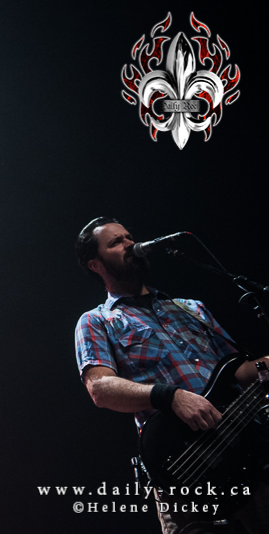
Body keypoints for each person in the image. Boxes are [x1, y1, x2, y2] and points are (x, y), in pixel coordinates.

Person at [74, 217, 269, 534]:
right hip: (185, 465)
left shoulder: (192, 308)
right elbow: (100, 387)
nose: (130, 244)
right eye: (116, 242)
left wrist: (263, 367)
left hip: (248, 447)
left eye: (129, 237)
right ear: (95, 265)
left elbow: (238, 370)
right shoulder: (97, 320)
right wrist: (170, 396)